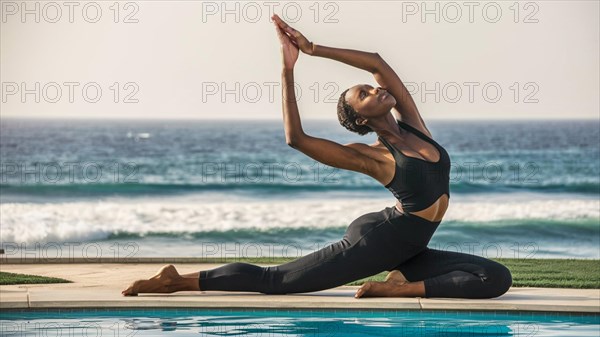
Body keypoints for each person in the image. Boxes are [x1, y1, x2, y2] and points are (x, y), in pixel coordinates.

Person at [122, 14, 512, 299]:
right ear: (361, 118)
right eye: (365, 94)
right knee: (276, 282)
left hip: (410, 247)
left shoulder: (414, 126)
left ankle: (398, 285)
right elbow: (297, 139)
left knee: (495, 278)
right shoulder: (372, 156)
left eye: (369, 88)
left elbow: (377, 62)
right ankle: (177, 280)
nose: (375, 90)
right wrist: (287, 69)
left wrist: (312, 49)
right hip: (378, 241)